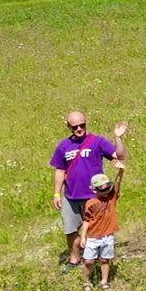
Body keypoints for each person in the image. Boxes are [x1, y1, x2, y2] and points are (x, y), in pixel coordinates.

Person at [50, 112, 126, 271]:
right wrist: (57, 193)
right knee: (70, 229)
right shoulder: (63, 146)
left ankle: (97, 259)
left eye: (82, 125)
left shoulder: (97, 141)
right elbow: (59, 170)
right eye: (75, 126)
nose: (79, 129)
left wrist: (118, 138)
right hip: (71, 196)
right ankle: (74, 259)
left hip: (94, 196)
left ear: (86, 123)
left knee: (96, 229)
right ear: (68, 127)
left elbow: (119, 156)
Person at [79, 167, 123, 291]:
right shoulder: (90, 203)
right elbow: (86, 220)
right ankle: (86, 282)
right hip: (93, 237)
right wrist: (83, 236)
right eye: (102, 190)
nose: (105, 192)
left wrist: (121, 171)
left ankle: (104, 281)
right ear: (93, 189)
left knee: (105, 260)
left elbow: (118, 182)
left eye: (107, 188)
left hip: (108, 236)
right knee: (89, 261)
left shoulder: (111, 198)